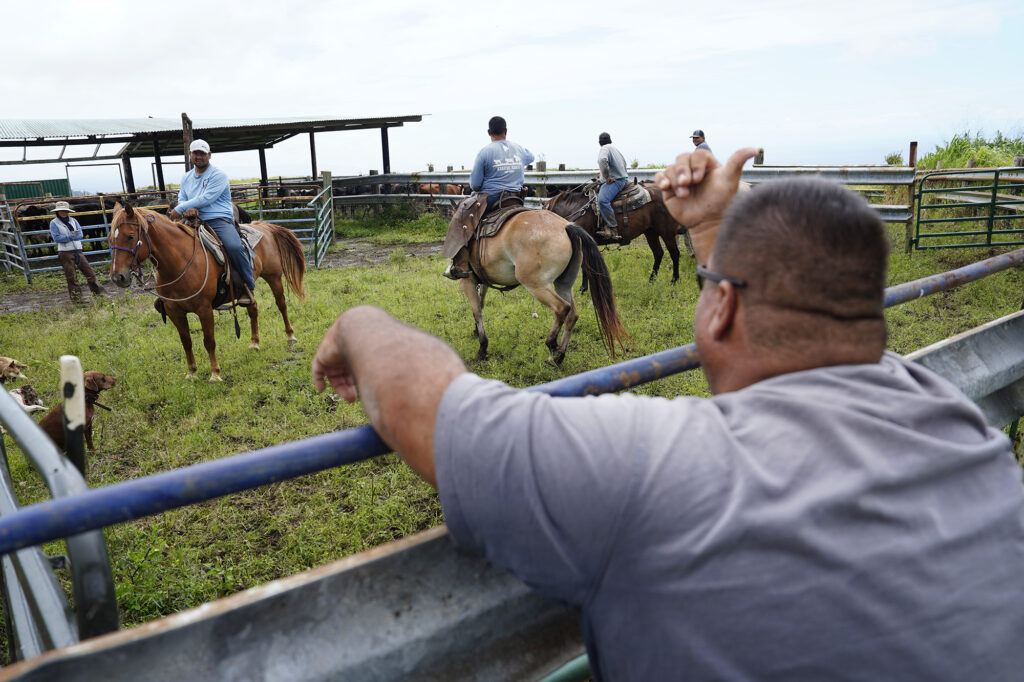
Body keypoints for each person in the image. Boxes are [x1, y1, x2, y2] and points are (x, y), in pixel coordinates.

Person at [312, 148, 1024, 681]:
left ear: (721, 308)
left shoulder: (651, 465)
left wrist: (359, 320)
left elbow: (427, 406)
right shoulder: (959, 426)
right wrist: (715, 225)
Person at [442, 116, 534, 280]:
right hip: (517, 198)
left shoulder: (484, 152)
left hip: (492, 199)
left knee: (460, 216)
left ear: (489, 132)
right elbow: (531, 157)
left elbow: (476, 184)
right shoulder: (519, 149)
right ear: (506, 131)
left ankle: (460, 264)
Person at [169, 139, 255, 305]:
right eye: (195, 153)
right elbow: (183, 198)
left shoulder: (218, 175)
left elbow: (206, 198)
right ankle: (171, 289)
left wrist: (179, 209)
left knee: (234, 246)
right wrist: (187, 209)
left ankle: (247, 285)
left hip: (217, 219)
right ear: (190, 155)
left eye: (202, 153)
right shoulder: (186, 177)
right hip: (192, 219)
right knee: (171, 246)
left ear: (209, 155)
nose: (198, 156)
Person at [48, 201, 106, 303]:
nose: (63, 212)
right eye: (61, 211)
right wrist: (71, 236)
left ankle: (99, 294)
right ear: (57, 212)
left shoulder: (73, 220)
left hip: (78, 250)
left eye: (65, 211)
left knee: (90, 273)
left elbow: (80, 234)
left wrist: (72, 237)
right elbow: (56, 238)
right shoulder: (54, 223)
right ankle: (77, 299)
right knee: (71, 276)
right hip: (65, 252)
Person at [594, 132, 629, 241]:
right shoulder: (615, 149)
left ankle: (613, 228)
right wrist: (603, 174)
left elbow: (602, 160)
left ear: (599, 142)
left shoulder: (604, 148)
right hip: (622, 178)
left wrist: (607, 177)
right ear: (610, 140)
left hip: (617, 181)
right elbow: (624, 164)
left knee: (602, 201)